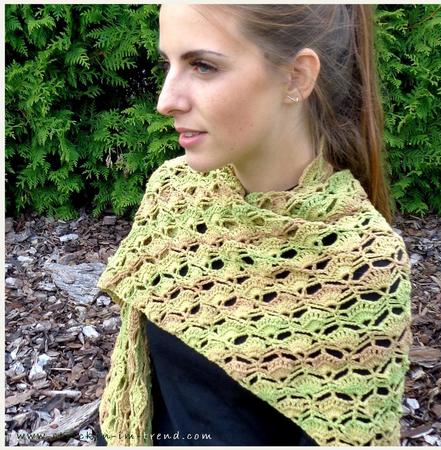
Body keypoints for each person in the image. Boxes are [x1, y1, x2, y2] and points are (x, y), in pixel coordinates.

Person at [96, 4, 412, 446]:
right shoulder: (174, 196)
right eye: (168, 64)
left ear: (296, 77)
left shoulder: (361, 266)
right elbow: (143, 389)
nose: (166, 101)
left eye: (202, 66)